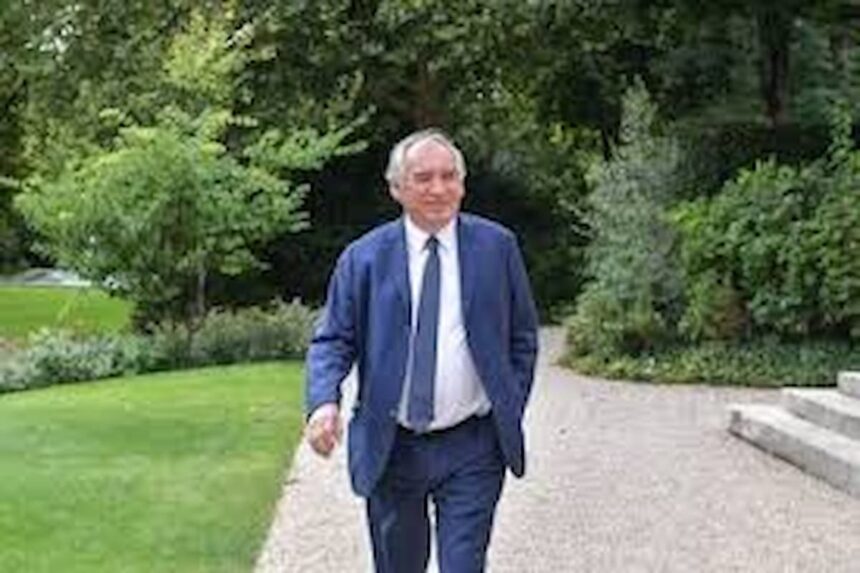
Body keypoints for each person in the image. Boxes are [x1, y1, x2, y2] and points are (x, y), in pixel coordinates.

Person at [304, 128, 539, 573]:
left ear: (462, 185)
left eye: (449, 176)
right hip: (393, 447)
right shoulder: (364, 258)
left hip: (473, 446)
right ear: (397, 188)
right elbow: (333, 339)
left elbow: (522, 337)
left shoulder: (497, 248)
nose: (438, 189)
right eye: (423, 178)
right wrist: (323, 403)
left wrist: (509, 402)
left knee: (463, 565)